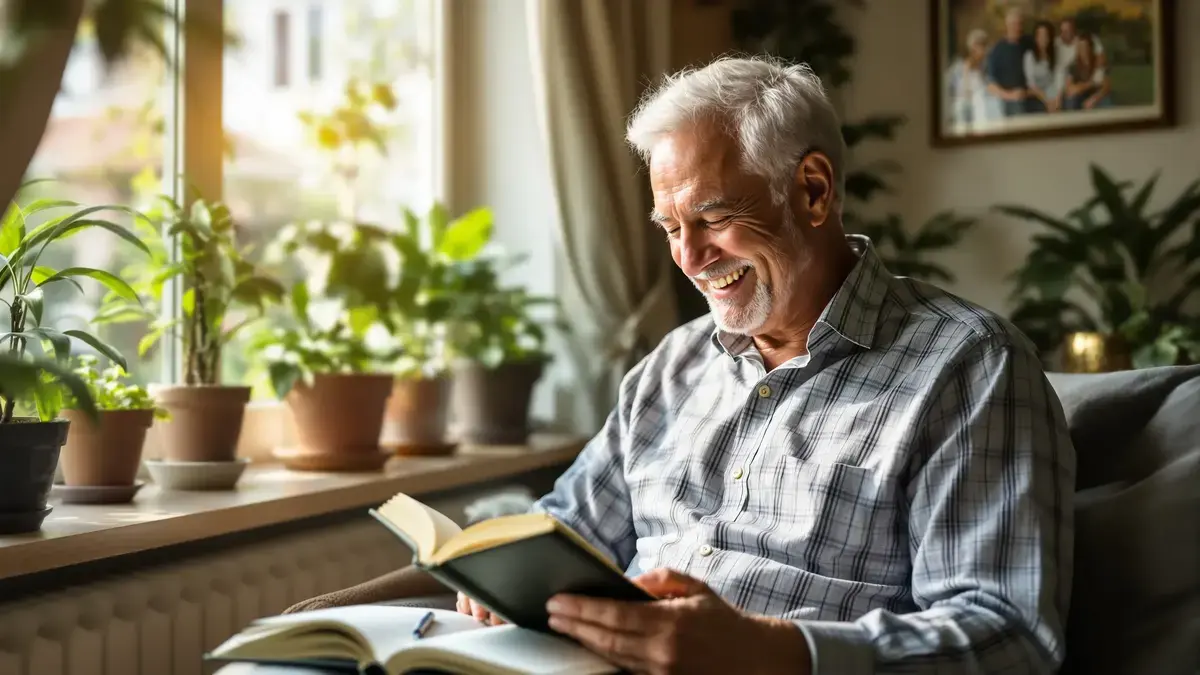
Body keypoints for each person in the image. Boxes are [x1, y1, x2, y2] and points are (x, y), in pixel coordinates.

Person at [287, 56, 1076, 674]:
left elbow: (1009, 636)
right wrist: (489, 574)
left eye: (713, 217)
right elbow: (569, 527)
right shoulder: (672, 366)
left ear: (812, 189)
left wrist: (771, 655)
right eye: (670, 226)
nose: (690, 258)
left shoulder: (967, 366)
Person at [945, 29, 1002, 127]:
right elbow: (960, 91)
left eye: (985, 46)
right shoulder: (961, 66)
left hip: (982, 106)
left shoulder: (985, 67)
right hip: (966, 107)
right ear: (973, 47)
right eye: (981, 46)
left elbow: (989, 86)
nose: (985, 50)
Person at [985, 7, 1033, 117]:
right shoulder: (997, 50)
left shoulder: (1028, 43)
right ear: (1007, 26)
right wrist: (1010, 95)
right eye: (1014, 24)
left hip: (1031, 95)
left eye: (1020, 24)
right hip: (1008, 98)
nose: (1017, 27)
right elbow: (990, 85)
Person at [1024, 20, 1064, 113]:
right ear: (1036, 38)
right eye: (1040, 35)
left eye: (1046, 35)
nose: (1043, 39)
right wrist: (1047, 100)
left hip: (1053, 92)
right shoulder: (1029, 56)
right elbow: (1031, 83)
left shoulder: (1056, 54)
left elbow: (1059, 79)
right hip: (1037, 94)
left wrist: (1057, 99)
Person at [1065, 33, 1113, 110]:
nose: (1082, 49)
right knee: (1070, 100)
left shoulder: (1098, 63)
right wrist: (1091, 84)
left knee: (1107, 102)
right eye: (1080, 47)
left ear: (1090, 48)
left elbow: (1106, 87)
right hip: (1082, 94)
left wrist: (1093, 99)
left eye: (1085, 46)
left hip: (1096, 94)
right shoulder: (1073, 66)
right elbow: (1070, 89)